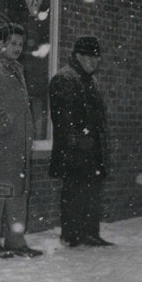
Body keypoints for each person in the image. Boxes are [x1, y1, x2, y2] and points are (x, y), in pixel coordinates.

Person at [0, 23, 43, 258]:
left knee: (18, 194)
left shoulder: (17, 68)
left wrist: (27, 132)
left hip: (19, 143)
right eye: (13, 43)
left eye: (20, 44)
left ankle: (16, 240)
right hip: (0, 143)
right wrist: (7, 124)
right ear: (1, 44)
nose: (17, 48)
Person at [48, 35, 113, 248]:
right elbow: (62, 119)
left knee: (92, 192)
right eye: (88, 56)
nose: (94, 61)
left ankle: (90, 232)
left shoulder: (91, 81)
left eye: (97, 57)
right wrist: (77, 140)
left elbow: (99, 116)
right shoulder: (64, 79)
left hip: (92, 149)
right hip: (74, 151)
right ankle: (72, 235)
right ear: (77, 56)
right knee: (74, 192)